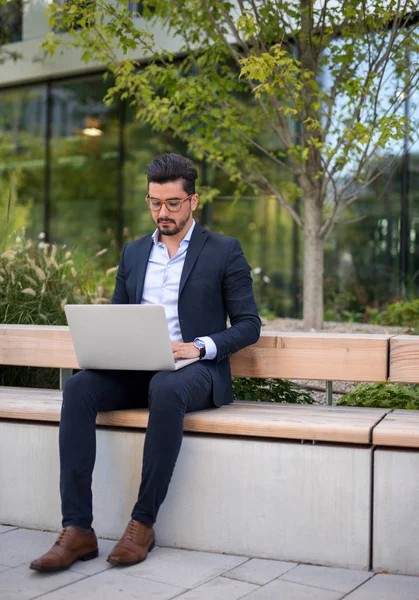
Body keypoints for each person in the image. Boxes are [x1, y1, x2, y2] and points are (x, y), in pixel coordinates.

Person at [30, 153, 261, 573]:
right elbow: (121, 317)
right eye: (154, 202)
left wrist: (197, 347)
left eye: (172, 203)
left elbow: (249, 325)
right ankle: (77, 529)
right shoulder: (135, 252)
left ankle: (142, 523)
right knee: (78, 388)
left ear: (194, 200)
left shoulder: (225, 251)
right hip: (140, 368)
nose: (162, 212)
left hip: (196, 373)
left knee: (166, 388)